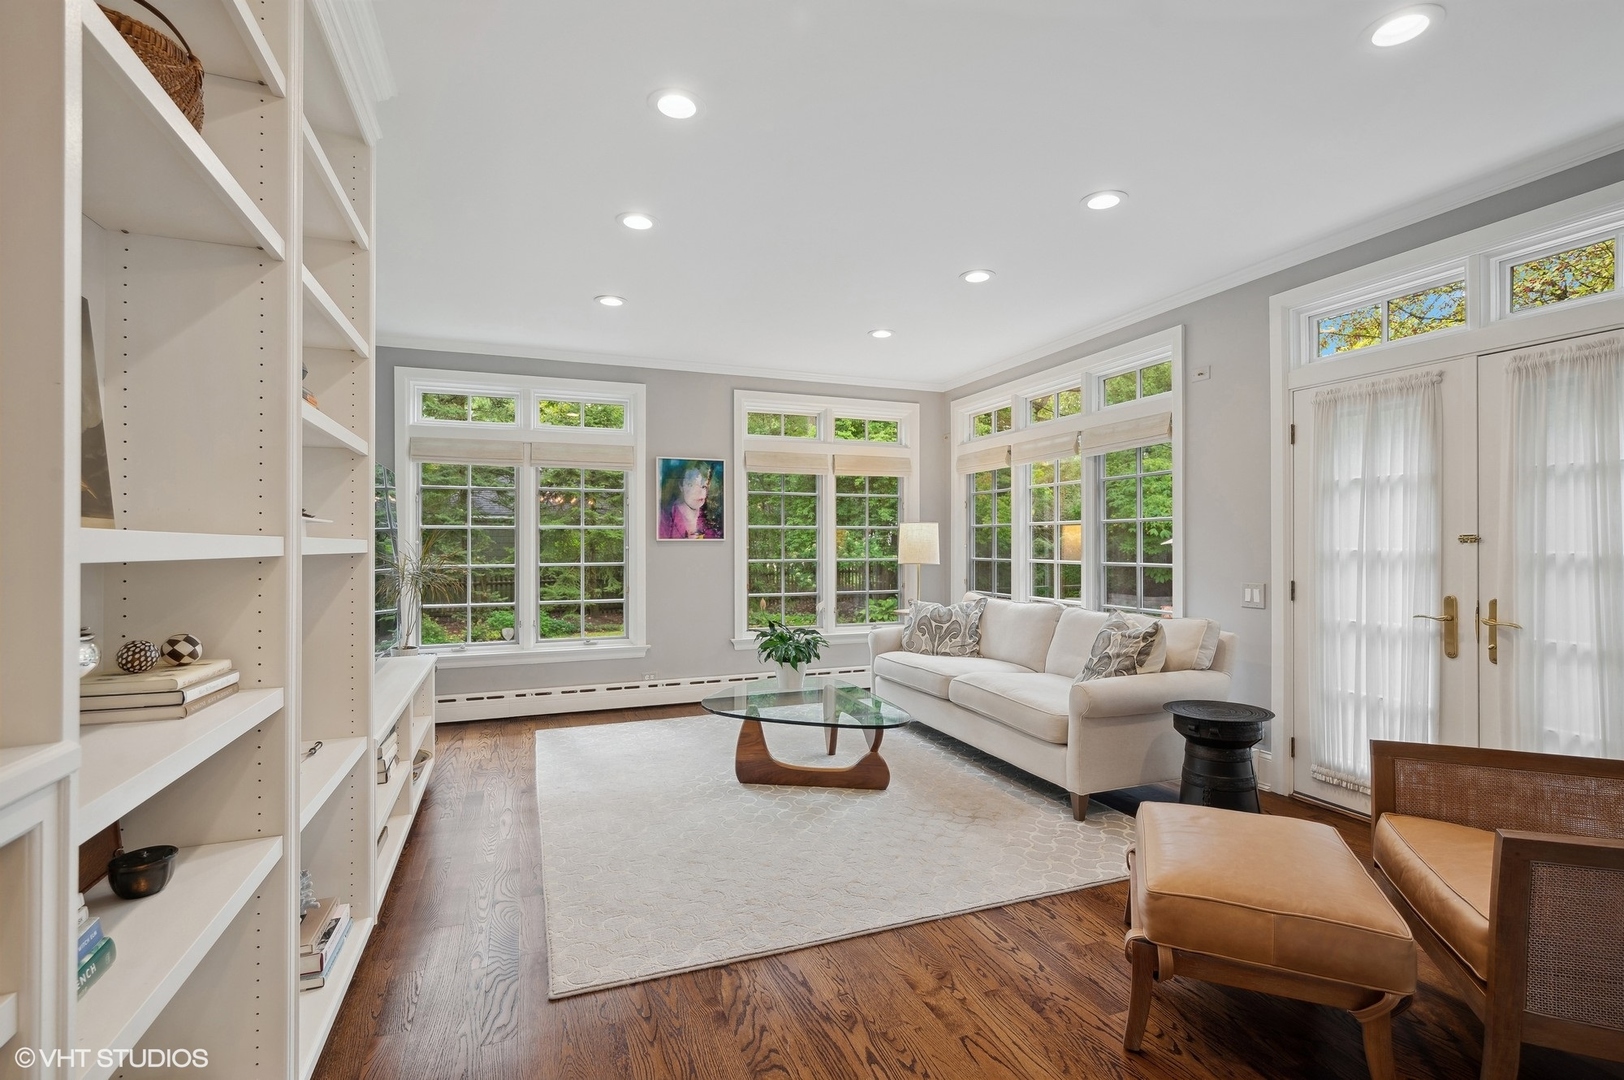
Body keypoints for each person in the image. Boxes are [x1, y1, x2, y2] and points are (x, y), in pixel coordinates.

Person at [659, 462, 721, 539]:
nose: (700, 492)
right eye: (692, 485)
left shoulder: (710, 521)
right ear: (681, 485)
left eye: (704, 486)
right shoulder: (664, 519)